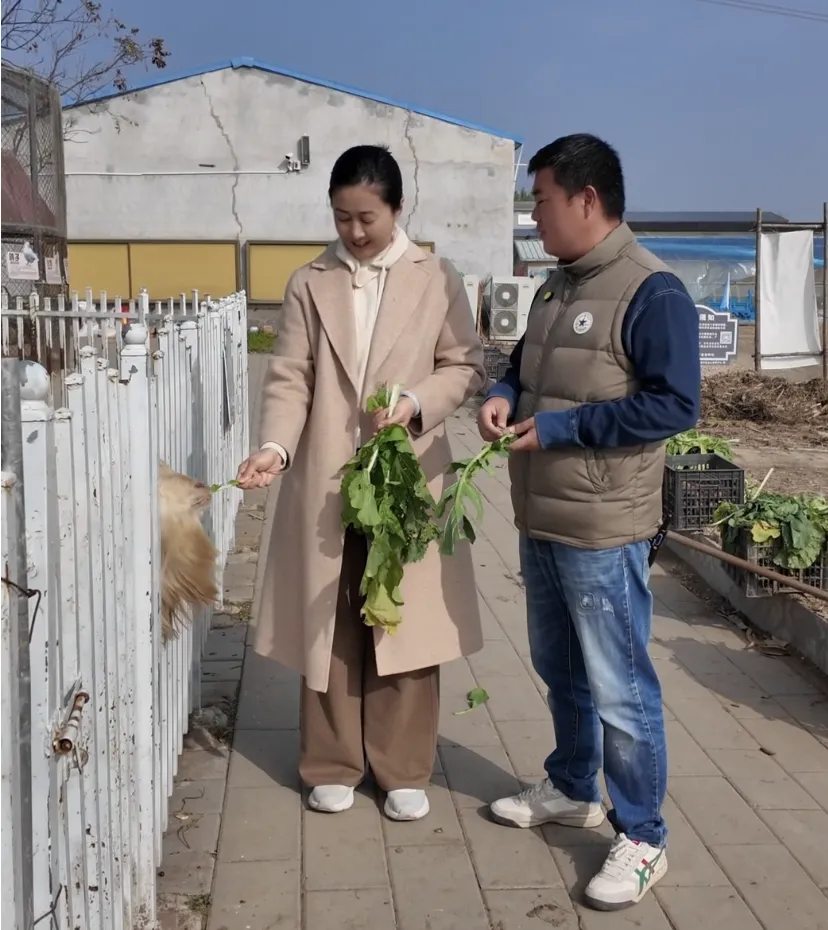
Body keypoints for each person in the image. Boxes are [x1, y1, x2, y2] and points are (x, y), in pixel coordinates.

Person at [478, 134, 701, 911]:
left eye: (539, 199)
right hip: (541, 511)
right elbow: (525, 366)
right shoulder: (555, 287)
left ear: (586, 199)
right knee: (558, 664)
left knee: (619, 684)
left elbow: (674, 404)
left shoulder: (652, 290)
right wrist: (504, 394)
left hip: (604, 523)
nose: (533, 215)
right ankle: (574, 786)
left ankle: (642, 835)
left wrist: (562, 431)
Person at [236, 144, 486, 822]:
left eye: (366, 217)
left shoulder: (438, 278)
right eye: (342, 217)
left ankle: (403, 767)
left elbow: (462, 365)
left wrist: (416, 404)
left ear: (397, 209)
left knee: (401, 615)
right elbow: (291, 377)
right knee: (333, 617)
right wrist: (275, 448)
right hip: (324, 475)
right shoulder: (308, 281)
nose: (353, 231)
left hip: (405, 476)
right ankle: (331, 761)